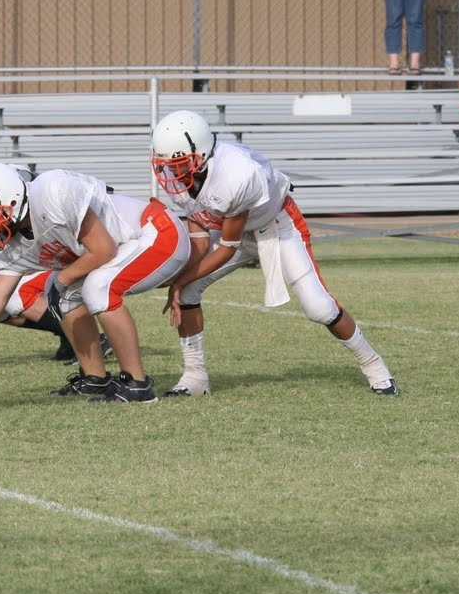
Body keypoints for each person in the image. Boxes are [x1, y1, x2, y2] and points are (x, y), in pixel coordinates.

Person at [150, 110, 399, 397]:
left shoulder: (237, 173)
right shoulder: (182, 173)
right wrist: (184, 276)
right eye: (167, 162)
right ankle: (195, 377)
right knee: (190, 287)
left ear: (202, 152)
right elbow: (199, 227)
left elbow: (228, 248)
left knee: (319, 307)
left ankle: (374, 365)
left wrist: (179, 280)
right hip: (230, 227)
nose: (172, 170)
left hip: (277, 226)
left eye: (179, 163)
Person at [0, 163, 190, 403]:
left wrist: (61, 279)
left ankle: (138, 386)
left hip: (157, 232)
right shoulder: (11, 237)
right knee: (64, 295)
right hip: (125, 248)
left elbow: (103, 250)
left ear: (13, 200)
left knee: (97, 285)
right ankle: (96, 379)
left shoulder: (53, 192)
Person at [0, 150, 111, 364]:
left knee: (14, 296)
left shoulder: (7, 194)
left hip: (66, 255)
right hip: (41, 262)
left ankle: (91, 341)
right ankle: (69, 335)